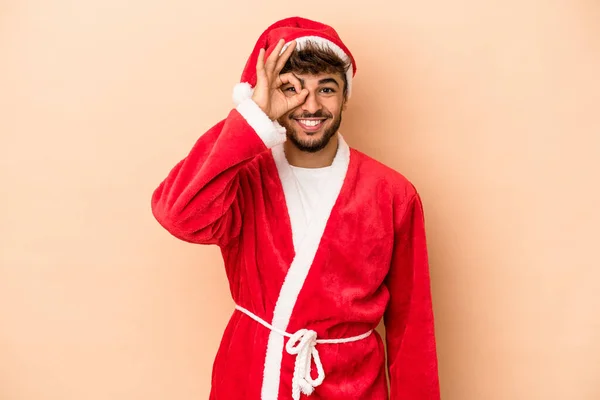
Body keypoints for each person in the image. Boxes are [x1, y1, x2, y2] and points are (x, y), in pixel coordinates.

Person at [151, 16, 440, 400]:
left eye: (327, 89)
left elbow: (412, 328)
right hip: (255, 376)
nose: (311, 104)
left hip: (352, 386)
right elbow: (177, 213)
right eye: (291, 89)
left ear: (345, 97)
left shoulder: (392, 194)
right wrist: (252, 115)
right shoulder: (244, 181)